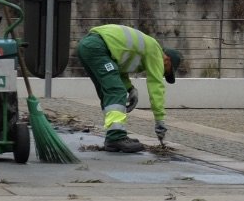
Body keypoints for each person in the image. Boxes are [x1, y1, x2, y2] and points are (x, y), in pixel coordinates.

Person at [76, 24, 183, 153]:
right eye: (167, 72)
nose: (164, 74)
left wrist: (131, 89)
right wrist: (159, 121)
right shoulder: (156, 51)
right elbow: (156, 87)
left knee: (107, 91)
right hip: (98, 47)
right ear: (167, 60)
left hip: (88, 45)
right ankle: (116, 137)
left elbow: (119, 69)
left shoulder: (144, 50)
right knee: (116, 91)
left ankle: (112, 138)